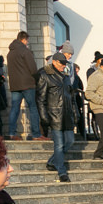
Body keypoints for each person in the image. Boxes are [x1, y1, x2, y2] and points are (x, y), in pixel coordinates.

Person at [36, 51, 77, 182]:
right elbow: (40, 99)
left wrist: (76, 113)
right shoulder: (45, 75)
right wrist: (44, 117)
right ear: (54, 62)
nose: (63, 66)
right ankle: (62, 172)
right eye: (61, 63)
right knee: (59, 145)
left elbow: (71, 97)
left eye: (65, 64)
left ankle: (52, 161)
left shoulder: (65, 77)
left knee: (70, 141)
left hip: (67, 114)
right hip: (54, 115)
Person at [6, 31, 41, 140]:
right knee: (33, 108)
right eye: (27, 41)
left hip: (15, 85)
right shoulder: (25, 51)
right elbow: (33, 69)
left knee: (15, 109)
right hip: (27, 84)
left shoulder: (10, 53)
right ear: (24, 39)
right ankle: (36, 134)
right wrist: (36, 79)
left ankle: (12, 133)